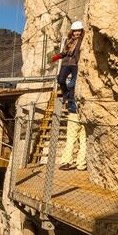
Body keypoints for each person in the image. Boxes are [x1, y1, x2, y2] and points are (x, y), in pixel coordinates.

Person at [51, 21, 87, 169]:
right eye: (75, 31)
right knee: (61, 80)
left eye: (79, 31)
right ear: (72, 32)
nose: (77, 33)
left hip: (76, 65)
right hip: (67, 63)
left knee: (73, 84)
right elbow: (64, 52)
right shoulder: (68, 41)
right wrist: (55, 57)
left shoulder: (84, 40)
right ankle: (76, 163)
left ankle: (79, 163)